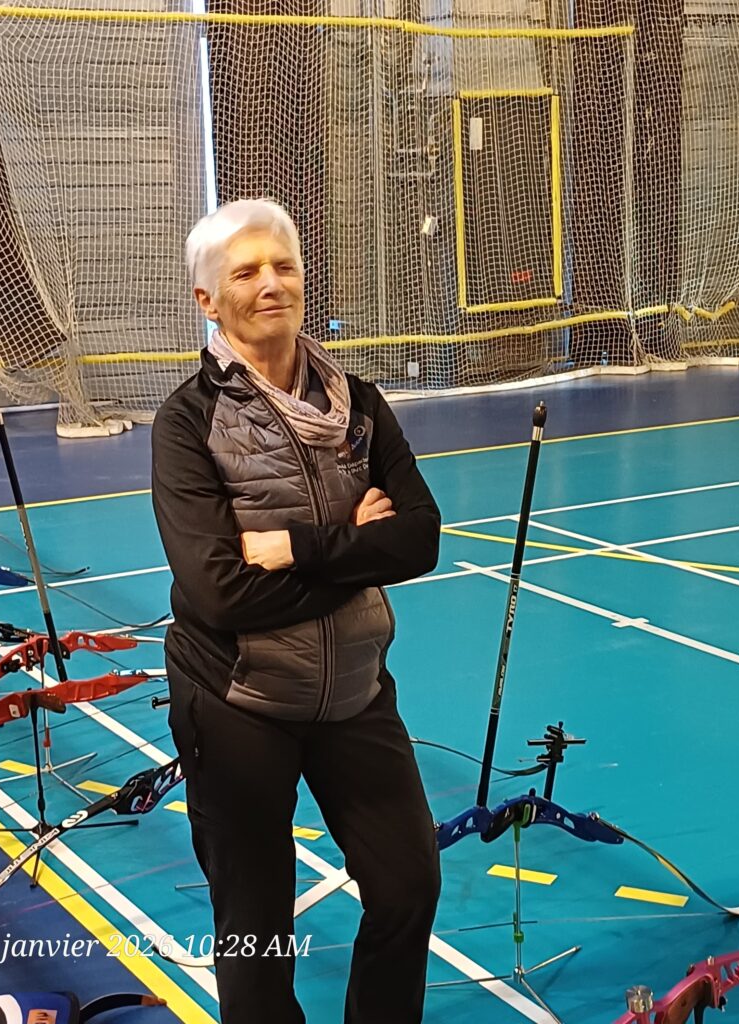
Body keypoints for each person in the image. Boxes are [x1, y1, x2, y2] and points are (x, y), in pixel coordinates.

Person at [150, 199, 442, 1024]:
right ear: (208, 300)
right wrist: (358, 546)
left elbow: (420, 538)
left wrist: (296, 546)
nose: (270, 284)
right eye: (245, 272)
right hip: (237, 702)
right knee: (257, 934)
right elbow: (220, 593)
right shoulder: (187, 423)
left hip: (354, 693)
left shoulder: (361, 404)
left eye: (283, 266)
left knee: (408, 885)